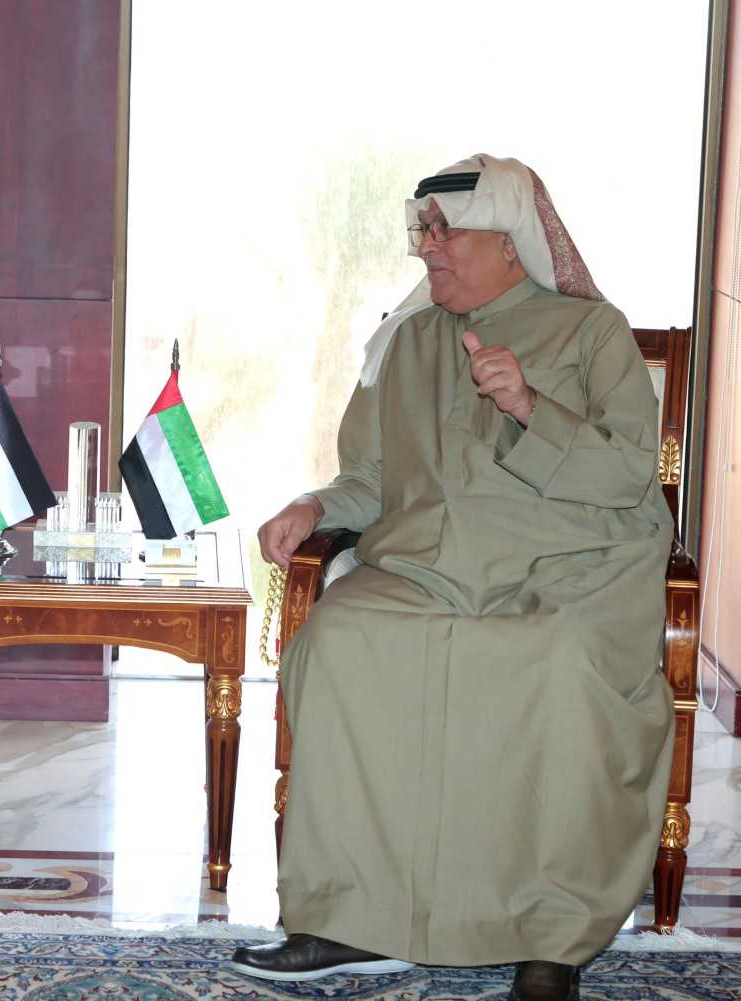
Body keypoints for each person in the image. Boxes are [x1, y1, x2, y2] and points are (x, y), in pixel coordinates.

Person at [233, 155, 673, 1001]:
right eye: (422, 232)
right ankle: (350, 918)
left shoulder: (592, 332)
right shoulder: (408, 343)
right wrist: (313, 505)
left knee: (561, 662)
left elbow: (629, 475)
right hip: (433, 569)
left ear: (511, 243)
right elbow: (372, 478)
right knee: (339, 640)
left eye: (445, 233)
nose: (427, 249)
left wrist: (530, 408)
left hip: (567, 572)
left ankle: (551, 940)